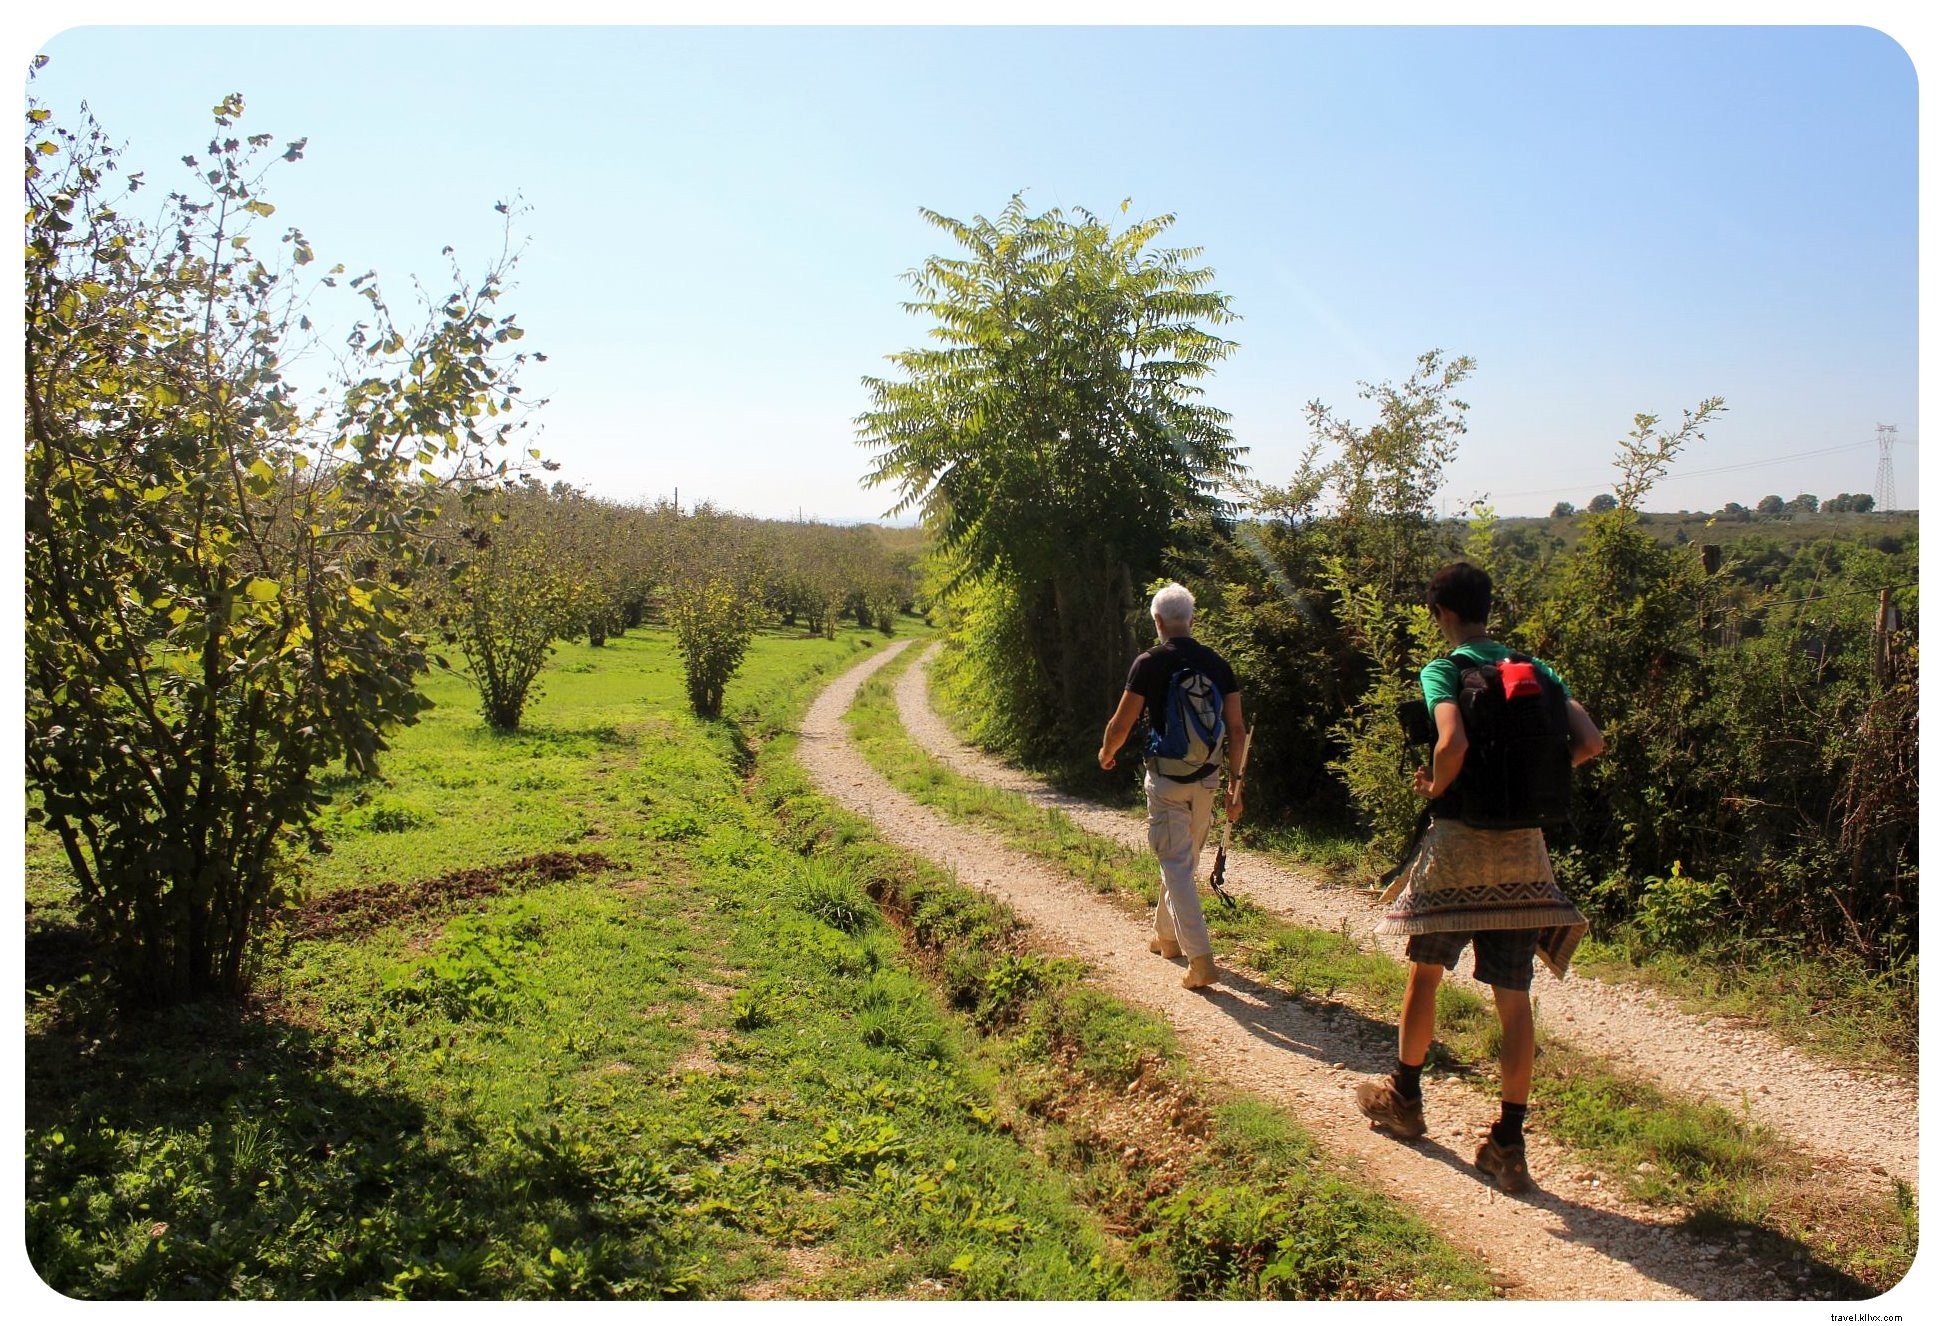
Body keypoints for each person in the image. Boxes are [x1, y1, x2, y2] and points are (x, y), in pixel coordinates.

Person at [1355, 561, 1604, 1193]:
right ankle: (1508, 1145)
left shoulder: (1446, 668)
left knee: (1425, 974)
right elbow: (1590, 741)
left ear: (1442, 614)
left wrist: (1437, 784)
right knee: (1514, 1000)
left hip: (1460, 848)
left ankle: (1404, 1101)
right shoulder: (1535, 670)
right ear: (1489, 606)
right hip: (1524, 855)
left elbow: (1452, 742)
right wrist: (1530, 785)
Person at [1098, 583, 1247, 991]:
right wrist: (1237, 787)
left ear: (1157, 622)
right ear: (1192, 621)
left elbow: (1121, 723)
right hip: (1208, 779)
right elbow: (1236, 729)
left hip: (1166, 780)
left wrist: (1107, 751)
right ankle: (1166, 938)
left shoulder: (1149, 662)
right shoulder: (1218, 664)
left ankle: (1200, 958)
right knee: (1182, 860)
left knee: (1176, 863)